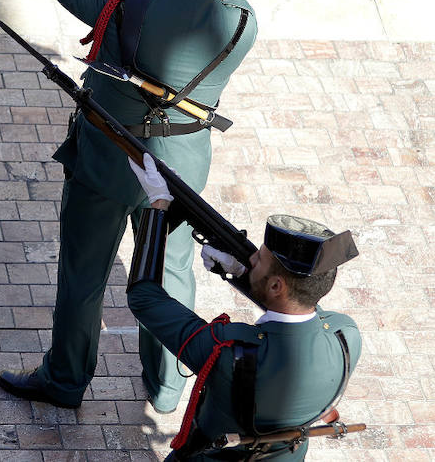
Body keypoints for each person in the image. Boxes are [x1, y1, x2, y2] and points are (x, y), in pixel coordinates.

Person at [0, 0, 259, 412]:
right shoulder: (242, 21)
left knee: (83, 276)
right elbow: (196, 2)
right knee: (171, 273)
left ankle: (65, 380)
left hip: (106, 161)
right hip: (181, 166)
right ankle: (167, 386)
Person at [125, 156, 361, 460]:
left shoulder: (229, 352)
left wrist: (158, 207)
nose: (251, 260)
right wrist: (243, 275)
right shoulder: (346, 335)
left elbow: (144, 297)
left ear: (276, 286)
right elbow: (297, 307)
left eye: (258, 260)